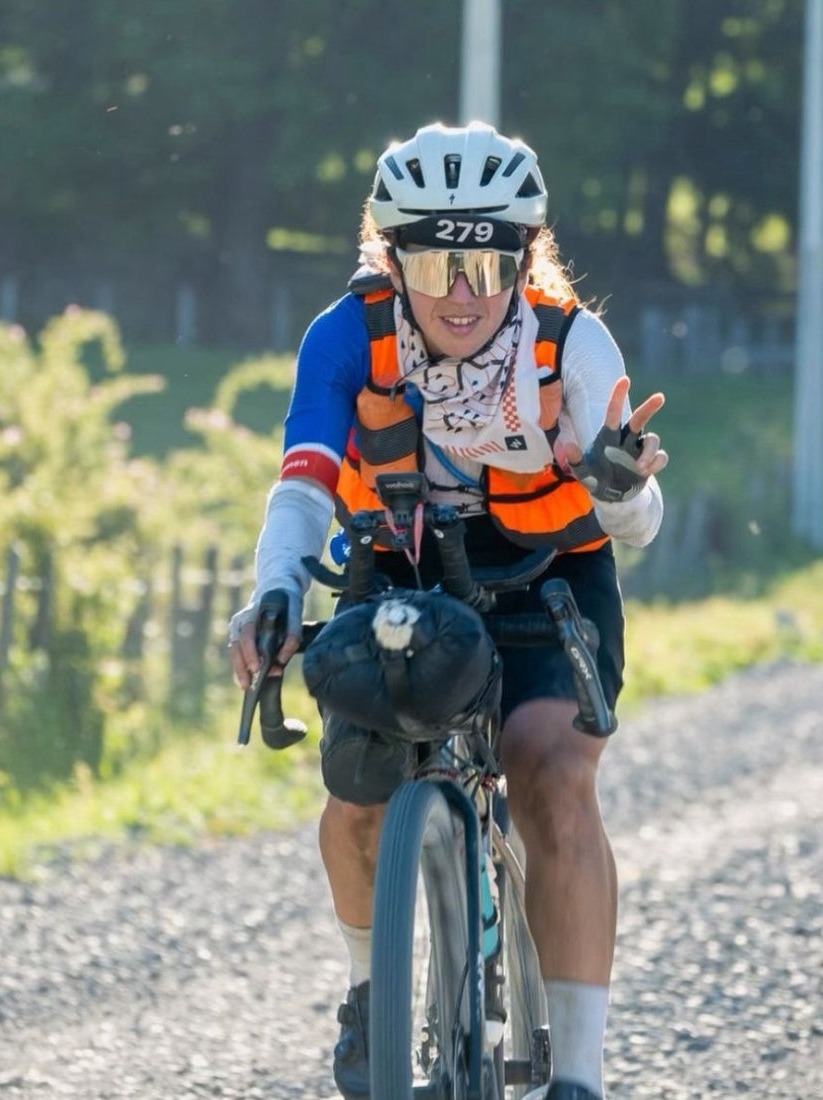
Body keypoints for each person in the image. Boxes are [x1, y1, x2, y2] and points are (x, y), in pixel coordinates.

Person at [229, 121, 668, 1100]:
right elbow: (302, 483)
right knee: (354, 801)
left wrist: (613, 485)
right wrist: (273, 589)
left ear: (525, 255)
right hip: (403, 573)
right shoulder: (345, 336)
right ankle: (367, 992)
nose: (461, 294)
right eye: (432, 263)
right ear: (391, 260)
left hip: (549, 578)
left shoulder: (571, 343)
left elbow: (638, 523)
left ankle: (580, 1077)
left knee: (550, 773)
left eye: (486, 261)